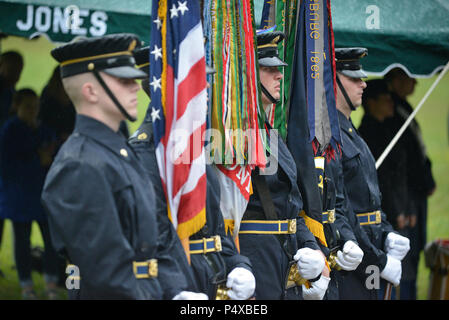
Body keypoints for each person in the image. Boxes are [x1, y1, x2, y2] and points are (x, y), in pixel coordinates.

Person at [41, 33, 205, 299]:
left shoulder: (118, 153)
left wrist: (176, 290)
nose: (135, 86)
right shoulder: (79, 165)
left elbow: (159, 237)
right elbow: (107, 274)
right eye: (124, 80)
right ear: (90, 91)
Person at [129, 46, 255, 300]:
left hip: (211, 279)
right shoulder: (144, 155)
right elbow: (147, 241)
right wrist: (171, 291)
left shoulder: (192, 147)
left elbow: (216, 230)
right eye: (196, 80)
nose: (207, 88)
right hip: (179, 280)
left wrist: (239, 265)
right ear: (169, 90)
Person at [238, 30, 328, 300]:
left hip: (284, 258)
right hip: (254, 261)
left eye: (279, 69)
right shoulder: (232, 136)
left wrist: (312, 248)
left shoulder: (269, 132)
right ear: (249, 74)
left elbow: (292, 203)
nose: (279, 76)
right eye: (268, 69)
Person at [331, 48, 411, 299]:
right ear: (332, 81)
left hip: (370, 247)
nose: (363, 84)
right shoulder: (330, 138)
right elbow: (342, 209)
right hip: (354, 254)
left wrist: (387, 233)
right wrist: (378, 260)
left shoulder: (351, 132)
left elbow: (370, 198)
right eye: (353, 78)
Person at [0, 88, 60, 299]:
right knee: (22, 242)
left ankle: (51, 282)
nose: (33, 111)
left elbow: (53, 151)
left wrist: (47, 156)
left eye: (35, 107)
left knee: (51, 241)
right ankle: (26, 285)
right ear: (17, 106)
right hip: (20, 197)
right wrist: (37, 159)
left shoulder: (44, 129)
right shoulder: (10, 130)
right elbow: (7, 166)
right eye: (28, 107)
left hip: (43, 195)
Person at [384, 67, 436, 299]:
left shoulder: (402, 107)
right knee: (406, 254)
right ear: (394, 80)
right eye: (407, 76)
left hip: (413, 195)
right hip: (405, 199)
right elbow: (398, 168)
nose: (414, 81)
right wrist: (403, 207)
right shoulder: (391, 112)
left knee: (414, 252)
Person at [0, 51, 23, 126]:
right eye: (11, 70)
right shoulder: (5, 90)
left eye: (19, 71)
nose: (16, 76)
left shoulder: (11, 90)